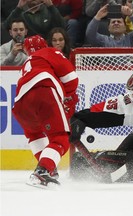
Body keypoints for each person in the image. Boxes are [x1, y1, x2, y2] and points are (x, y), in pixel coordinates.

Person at [12, 35, 79, 188]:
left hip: (20, 104)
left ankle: (50, 168)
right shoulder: (49, 52)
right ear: (45, 44)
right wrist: (67, 96)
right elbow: (71, 78)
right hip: (43, 92)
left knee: (35, 135)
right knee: (60, 138)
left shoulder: (26, 65)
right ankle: (43, 171)